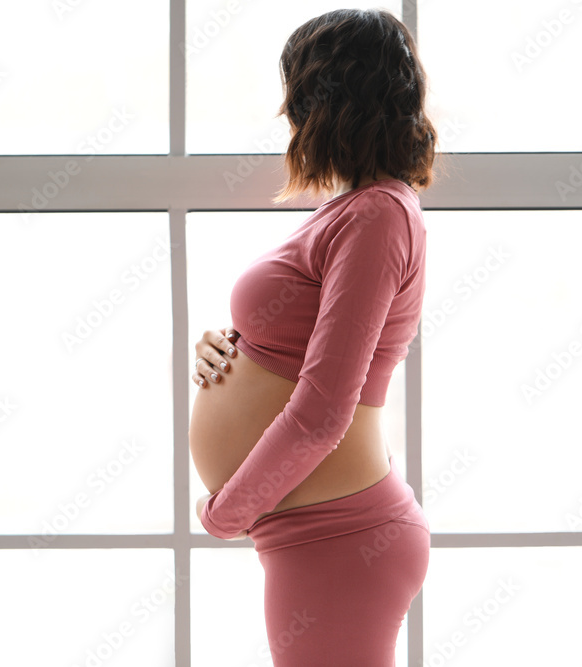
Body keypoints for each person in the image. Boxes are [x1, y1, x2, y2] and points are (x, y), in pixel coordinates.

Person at [190, 8, 438, 665]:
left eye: (297, 94)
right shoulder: (354, 210)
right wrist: (228, 347)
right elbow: (297, 344)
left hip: (339, 537)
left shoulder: (379, 215)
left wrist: (228, 510)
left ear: (327, 100)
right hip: (317, 533)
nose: (289, 115)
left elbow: (324, 409)